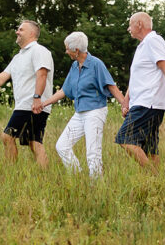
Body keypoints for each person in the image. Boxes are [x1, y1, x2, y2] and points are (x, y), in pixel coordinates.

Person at [40, 32, 127, 177]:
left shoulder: (96, 64)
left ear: (76, 51)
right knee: (62, 146)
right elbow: (64, 90)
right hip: (79, 113)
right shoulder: (74, 66)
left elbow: (111, 86)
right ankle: (78, 177)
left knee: (93, 153)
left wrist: (125, 106)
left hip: (95, 111)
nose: (66, 51)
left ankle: (96, 187)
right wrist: (44, 103)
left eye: (67, 48)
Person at [0, 20, 53, 167]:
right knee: (35, 142)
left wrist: (37, 98)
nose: (17, 32)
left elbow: (42, 75)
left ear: (32, 33)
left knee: (7, 136)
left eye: (21, 29)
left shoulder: (39, 51)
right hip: (28, 105)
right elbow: (1, 78)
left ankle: (10, 171)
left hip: (31, 104)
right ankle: (45, 176)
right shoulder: (18, 57)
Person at [116, 12, 165, 170]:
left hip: (148, 103)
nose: (128, 28)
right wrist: (126, 100)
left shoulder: (153, 41)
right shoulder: (143, 45)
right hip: (144, 102)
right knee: (150, 147)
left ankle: (154, 175)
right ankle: (158, 183)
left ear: (139, 24)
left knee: (124, 138)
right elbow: (138, 76)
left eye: (130, 24)